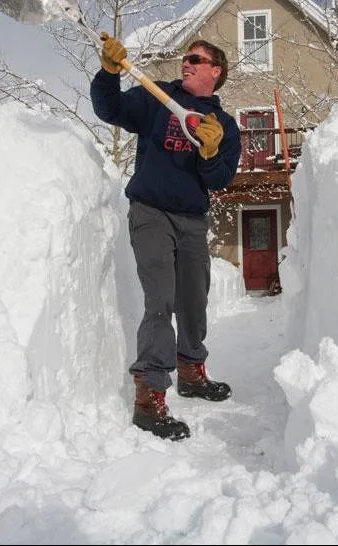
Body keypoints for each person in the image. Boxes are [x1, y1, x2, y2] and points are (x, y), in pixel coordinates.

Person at [90, 33, 242, 441]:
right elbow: (109, 108)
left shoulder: (225, 126)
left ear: (216, 71)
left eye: (196, 59)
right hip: (151, 212)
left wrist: (209, 153)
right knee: (160, 300)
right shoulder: (158, 99)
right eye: (185, 58)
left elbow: (220, 179)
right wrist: (108, 73)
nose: (185, 63)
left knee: (193, 299)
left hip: (192, 219)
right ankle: (149, 396)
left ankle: (191, 371)